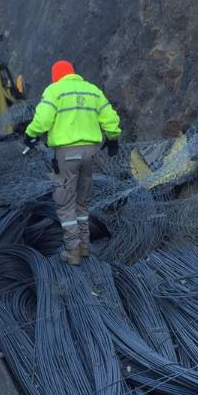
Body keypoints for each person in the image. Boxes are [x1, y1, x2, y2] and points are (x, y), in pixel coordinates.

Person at [23, 59, 121, 265]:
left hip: (67, 154)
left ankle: (73, 252)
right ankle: (85, 247)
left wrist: (30, 134)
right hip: (90, 153)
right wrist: (112, 138)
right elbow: (110, 118)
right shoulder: (92, 90)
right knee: (82, 203)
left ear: (55, 76)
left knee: (65, 204)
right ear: (72, 73)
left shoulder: (55, 90)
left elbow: (43, 120)